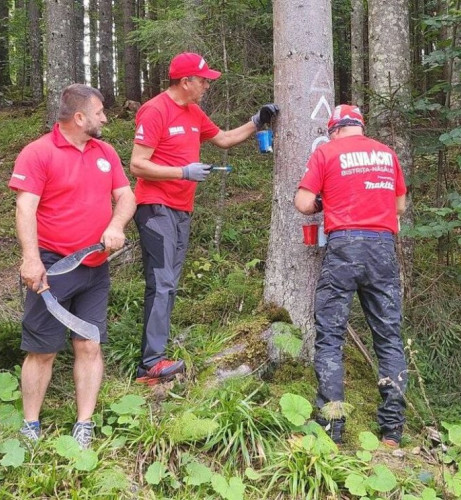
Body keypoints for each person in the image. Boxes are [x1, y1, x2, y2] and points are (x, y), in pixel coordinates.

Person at [130, 52, 278, 385]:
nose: (207, 85)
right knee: (162, 282)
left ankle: (156, 358)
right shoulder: (155, 110)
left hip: (181, 209)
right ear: (185, 82)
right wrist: (182, 171)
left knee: (169, 283)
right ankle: (150, 364)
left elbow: (223, 139)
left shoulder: (194, 112)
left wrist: (256, 121)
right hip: (155, 206)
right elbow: (138, 164)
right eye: (203, 80)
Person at [9, 84, 136, 448]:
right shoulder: (38, 153)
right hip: (52, 269)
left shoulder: (105, 152)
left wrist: (115, 225)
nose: (105, 118)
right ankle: (31, 424)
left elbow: (126, 195)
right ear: (79, 117)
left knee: (89, 346)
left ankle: (84, 424)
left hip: (95, 267)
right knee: (42, 349)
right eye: (99, 113)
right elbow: (25, 208)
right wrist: (31, 259)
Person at [294, 104, 407, 447]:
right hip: (382, 246)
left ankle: (332, 426)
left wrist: (324, 203)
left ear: (334, 130)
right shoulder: (387, 154)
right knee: (388, 336)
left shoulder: (327, 153)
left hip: (344, 245)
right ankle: (392, 431)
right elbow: (399, 206)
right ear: (359, 126)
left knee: (330, 336)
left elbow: (302, 202)